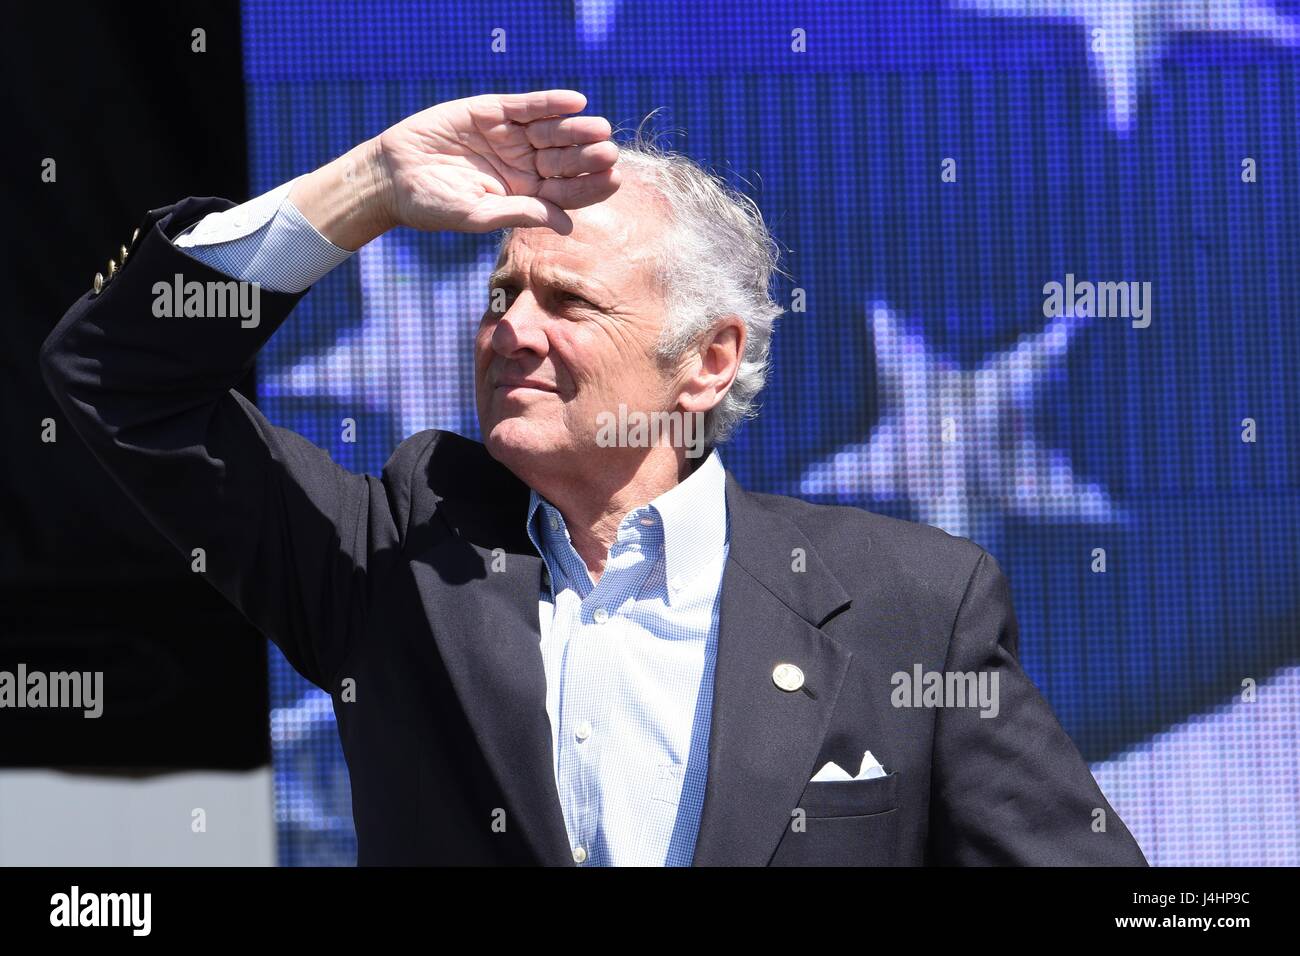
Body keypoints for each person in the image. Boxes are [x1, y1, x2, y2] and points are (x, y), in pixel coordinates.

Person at [40, 89, 1147, 866]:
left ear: (707, 359)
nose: (510, 329)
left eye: (566, 301)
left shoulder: (909, 602)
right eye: (498, 296)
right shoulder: (395, 561)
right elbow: (119, 378)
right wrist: (368, 188)